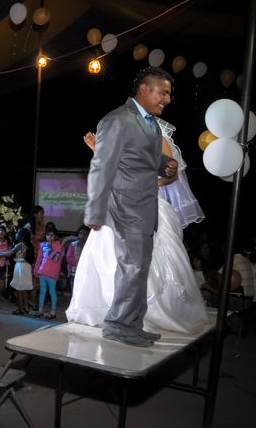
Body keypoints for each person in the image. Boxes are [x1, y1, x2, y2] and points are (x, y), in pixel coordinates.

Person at [75, 67, 192, 346]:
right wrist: (94, 211)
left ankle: (132, 324)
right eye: (163, 92)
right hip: (125, 207)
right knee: (131, 267)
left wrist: (167, 164)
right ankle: (118, 325)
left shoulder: (150, 123)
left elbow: (145, 160)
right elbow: (103, 166)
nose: (167, 99)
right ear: (144, 90)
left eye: (169, 94)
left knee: (139, 268)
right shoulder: (118, 120)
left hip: (145, 208)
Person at [0, 228, 34, 315]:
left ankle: (20, 308)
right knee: (23, 288)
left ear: (21, 236)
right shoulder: (29, 245)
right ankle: (25, 308)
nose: (16, 234)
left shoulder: (20, 244)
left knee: (19, 288)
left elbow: (10, 252)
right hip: (26, 266)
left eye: (18, 233)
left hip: (20, 266)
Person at [33, 224, 63, 319]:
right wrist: (36, 269)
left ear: (55, 236)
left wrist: (50, 248)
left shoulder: (59, 246)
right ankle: (40, 310)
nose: (49, 237)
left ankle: (53, 312)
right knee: (42, 291)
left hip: (52, 274)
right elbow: (39, 258)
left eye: (52, 235)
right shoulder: (42, 245)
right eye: (47, 235)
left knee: (52, 292)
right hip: (43, 272)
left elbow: (56, 258)